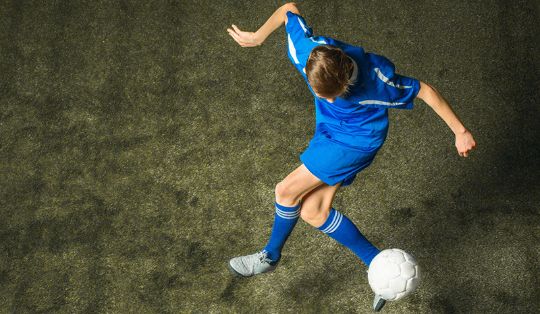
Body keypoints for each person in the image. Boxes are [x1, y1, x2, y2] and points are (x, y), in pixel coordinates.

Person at [226, 3, 476, 311]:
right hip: (329, 129)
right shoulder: (308, 52)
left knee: (285, 191)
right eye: (321, 94)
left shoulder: (377, 81)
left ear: (346, 81)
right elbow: (289, 9)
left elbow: (424, 90)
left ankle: (270, 256)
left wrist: (460, 131)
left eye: (332, 95)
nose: (326, 98)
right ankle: (375, 264)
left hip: (357, 140)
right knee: (313, 211)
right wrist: (258, 37)